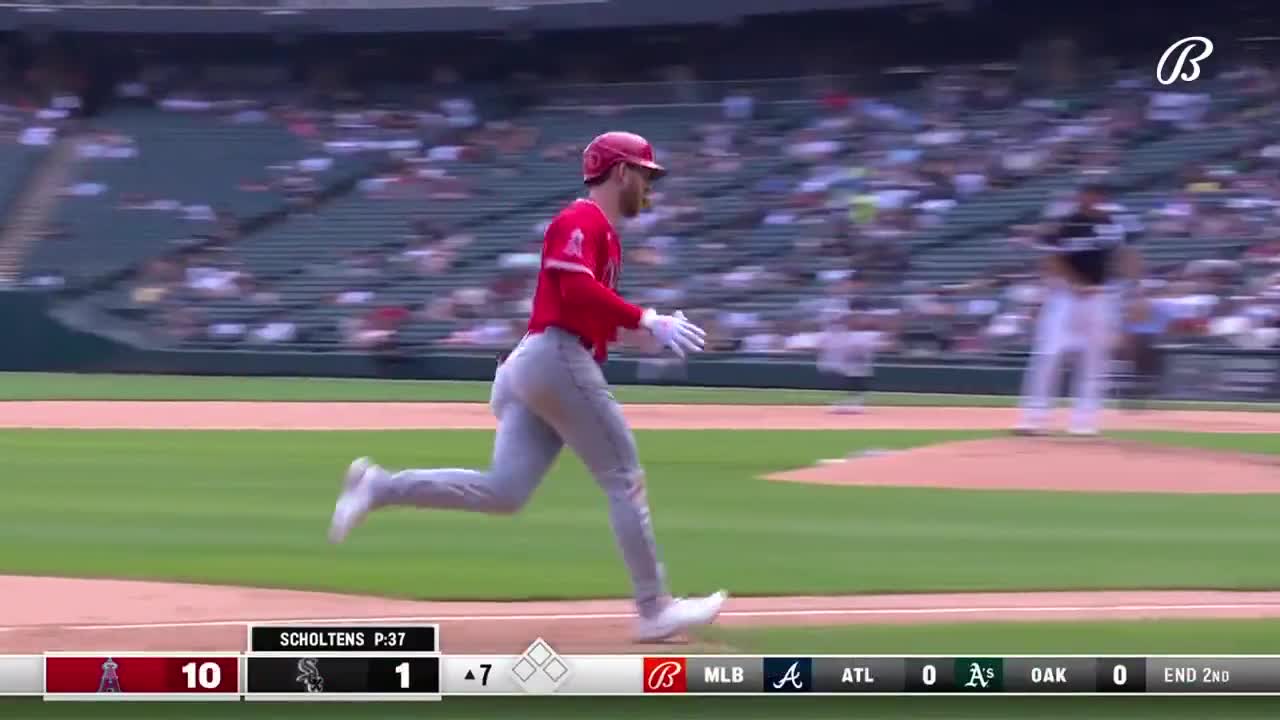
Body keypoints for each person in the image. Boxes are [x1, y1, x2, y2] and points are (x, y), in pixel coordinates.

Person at [327, 131, 727, 642]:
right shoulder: (580, 218)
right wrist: (647, 318)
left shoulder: (602, 231)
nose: (649, 186)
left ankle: (380, 486)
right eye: (645, 175)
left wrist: (638, 327)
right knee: (623, 475)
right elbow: (574, 289)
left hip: (544, 358)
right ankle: (653, 609)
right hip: (555, 356)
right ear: (621, 172)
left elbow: (584, 307)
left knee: (504, 492)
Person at [1014, 182, 1144, 436]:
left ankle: (1084, 421)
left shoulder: (1119, 224)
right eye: (1087, 195)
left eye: (1097, 196)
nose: (1091, 200)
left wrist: (1136, 291)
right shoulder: (1065, 223)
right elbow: (1050, 259)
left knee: (1095, 361)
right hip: (1065, 297)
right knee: (1049, 355)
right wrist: (1075, 283)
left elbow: (1129, 256)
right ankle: (1033, 418)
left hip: (1103, 297)